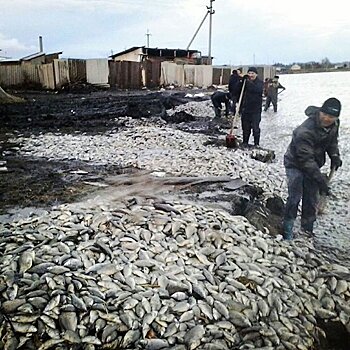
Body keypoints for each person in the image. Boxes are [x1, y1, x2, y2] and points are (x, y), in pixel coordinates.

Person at [283, 97, 342, 240]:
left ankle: (307, 229)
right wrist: (321, 181)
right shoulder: (305, 130)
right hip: (295, 163)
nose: (327, 119)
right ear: (320, 111)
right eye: (325, 114)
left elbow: (332, 141)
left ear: (336, 117)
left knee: (311, 199)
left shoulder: (334, 125)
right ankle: (287, 228)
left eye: (332, 116)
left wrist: (334, 156)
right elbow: (306, 160)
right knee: (295, 196)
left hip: (314, 163)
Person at [238, 67, 264, 147]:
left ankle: (256, 144)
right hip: (245, 109)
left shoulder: (260, 83)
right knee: (245, 128)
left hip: (256, 110)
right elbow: (237, 90)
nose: (251, 75)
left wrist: (248, 82)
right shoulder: (245, 82)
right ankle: (245, 142)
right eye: (249, 73)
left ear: (256, 74)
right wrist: (241, 81)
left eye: (253, 73)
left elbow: (257, 90)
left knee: (256, 128)